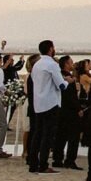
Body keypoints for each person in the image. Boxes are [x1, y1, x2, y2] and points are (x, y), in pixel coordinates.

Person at [28, 40, 69, 174]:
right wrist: (68, 82)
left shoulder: (37, 65)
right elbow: (61, 85)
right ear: (51, 49)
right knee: (48, 135)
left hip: (38, 103)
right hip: (51, 103)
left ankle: (33, 163)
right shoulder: (52, 64)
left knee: (37, 134)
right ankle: (43, 164)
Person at [52, 55, 82, 170]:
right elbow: (71, 96)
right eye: (70, 63)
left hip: (60, 109)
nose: (72, 64)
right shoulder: (68, 78)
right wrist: (78, 108)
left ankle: (57, 158)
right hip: (70, 111)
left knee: (60, 135)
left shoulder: (59, 76)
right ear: (66, 64)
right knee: (73, 137)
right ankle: (70, 160)